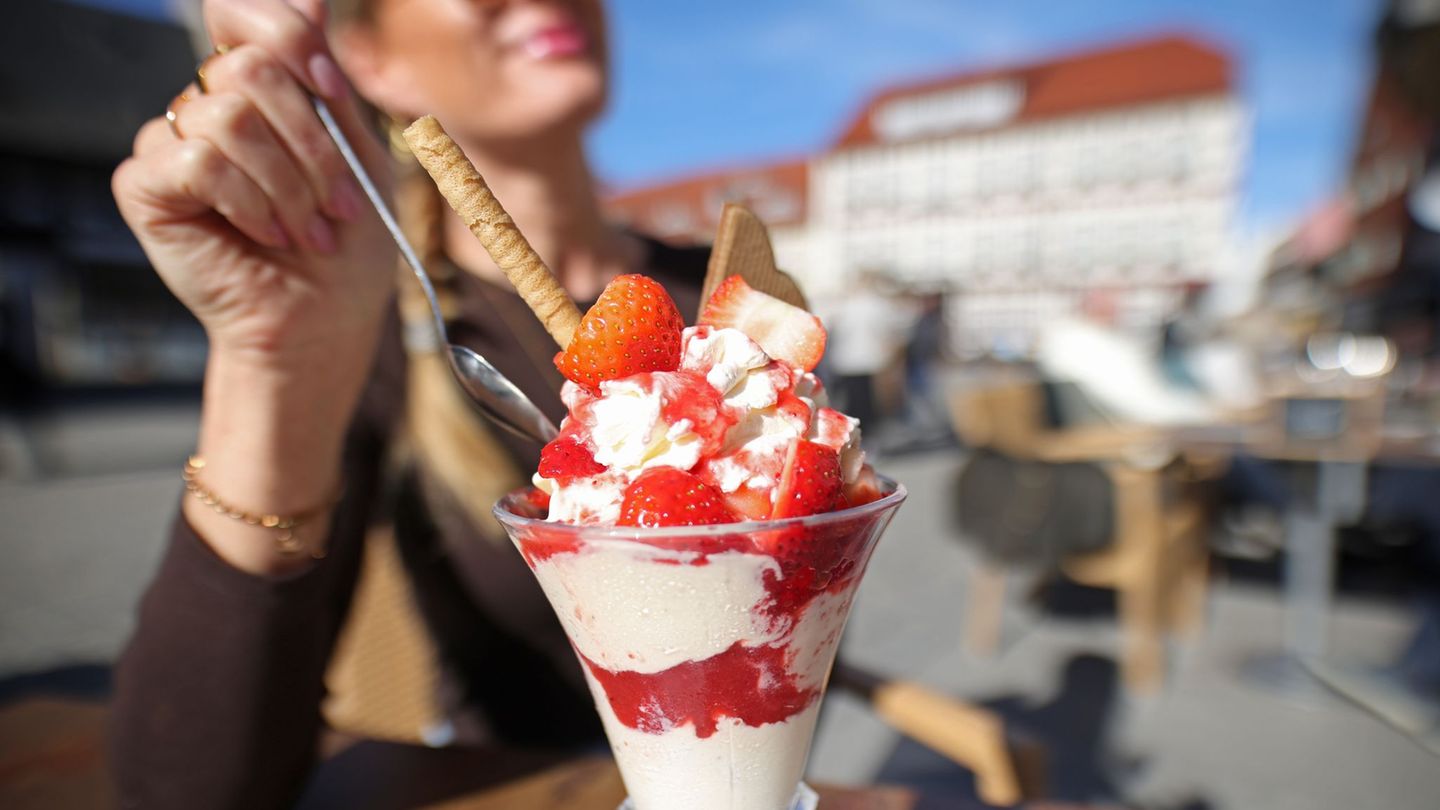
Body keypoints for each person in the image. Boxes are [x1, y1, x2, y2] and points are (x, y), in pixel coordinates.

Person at [108, 1, 709, 806]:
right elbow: (185, 789)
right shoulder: (373, 330)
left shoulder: (731, 301)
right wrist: (275, 359)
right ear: (365, 58)